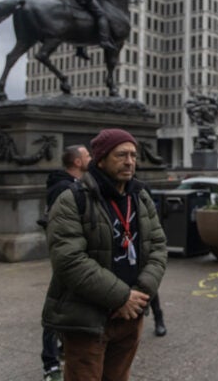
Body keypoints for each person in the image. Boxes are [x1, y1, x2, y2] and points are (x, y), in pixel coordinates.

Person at [42, 128, 167, 381]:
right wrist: (121, 297)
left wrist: (139, 296)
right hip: (88, 319)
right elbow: (69, 261)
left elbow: (158, 247)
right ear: (100, 160)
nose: (130, 161)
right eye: (121, 155)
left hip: (130, 316)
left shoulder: (140, 196)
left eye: (133, 155)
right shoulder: (72, 200)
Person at [39, 144, 91, 381]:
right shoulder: (64, 187)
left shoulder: (72, 185)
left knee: (68, 305)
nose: (91, 157)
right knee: (57, 307)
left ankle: (62, 349)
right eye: (87, 155)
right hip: (66, 255)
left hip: (74, 252)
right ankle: (50, 364)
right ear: (78, 162)